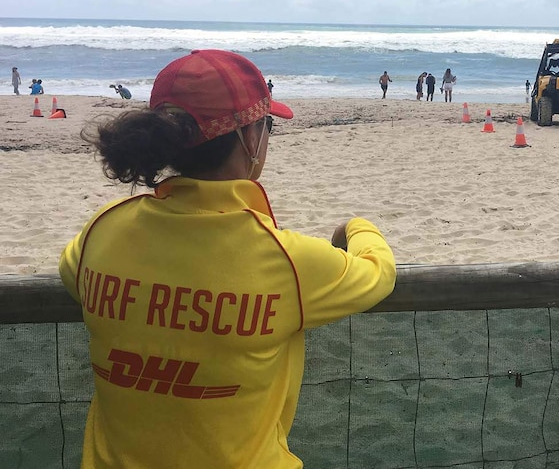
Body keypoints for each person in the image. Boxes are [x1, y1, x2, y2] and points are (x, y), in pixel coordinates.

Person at [58, 49, 396, 468]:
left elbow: (72, 273)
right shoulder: (286, 260)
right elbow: (379, 273)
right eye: (267, 125)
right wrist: (357, 226)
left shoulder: (101, 232)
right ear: (250, 138)